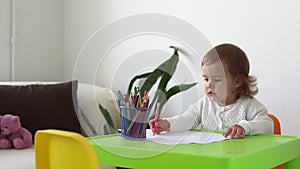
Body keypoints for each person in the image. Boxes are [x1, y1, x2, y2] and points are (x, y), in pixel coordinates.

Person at [149, 43, 273, 139]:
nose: (209, 84)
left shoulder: (248, 105)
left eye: (217, 79)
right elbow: (187, 119)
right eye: (206, 79)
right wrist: (167, 124)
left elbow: (268, 124)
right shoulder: (203, 105)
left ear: (237, 82)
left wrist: (245, 127)